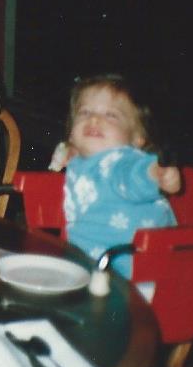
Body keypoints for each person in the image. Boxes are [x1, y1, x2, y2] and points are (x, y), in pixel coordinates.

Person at [50, 73, 180, 278]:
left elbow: (132, 175)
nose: (94, 119)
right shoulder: (84, 160)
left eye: (110, 115)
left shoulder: (122, 159)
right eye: (85, 112)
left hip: (135, 272)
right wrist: (70, 151)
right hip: (93, 259)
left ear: (136, 138)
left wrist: (155, 173)